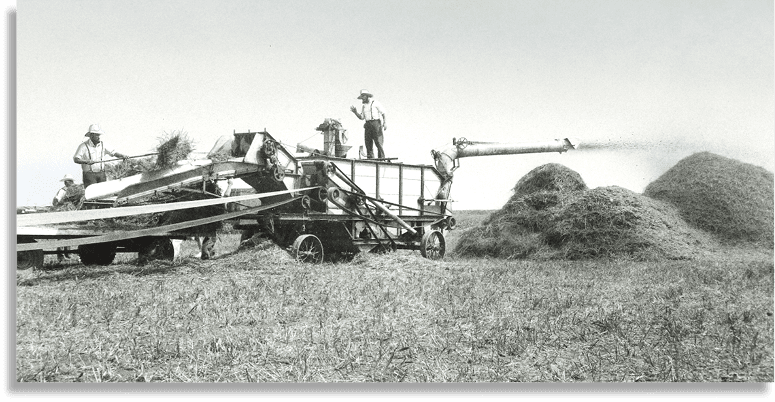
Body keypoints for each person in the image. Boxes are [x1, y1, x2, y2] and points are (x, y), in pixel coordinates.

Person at [349, 89, 387, 159]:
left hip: (376, 123)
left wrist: (385, 122)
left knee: (378, 142)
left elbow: (383, 112)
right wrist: (355, 112)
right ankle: (370, 158)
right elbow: (361, 117)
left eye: (363, 96)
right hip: (368, 124)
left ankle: (381, 159)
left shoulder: (375, 103)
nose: (362, 99)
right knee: (368, 142)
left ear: (367, 96)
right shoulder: (364, 106)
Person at [53, 174, 78, 261]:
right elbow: (56, 200)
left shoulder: (74, 190)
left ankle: (67, 254)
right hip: (63, 213)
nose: (69, 183)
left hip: (70, 213)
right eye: (68, 181)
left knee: (68, 234)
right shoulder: (63, 191)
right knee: (61, 234)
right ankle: (60, 254)